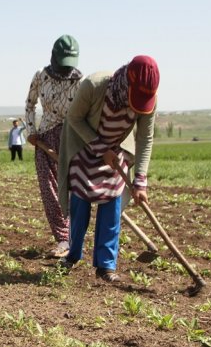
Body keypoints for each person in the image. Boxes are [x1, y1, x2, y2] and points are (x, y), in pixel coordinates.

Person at [58, 55, 159, 283]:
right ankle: (72, 256)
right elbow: (74, 118)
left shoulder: (149, 100)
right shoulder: (94, 86)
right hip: (84, 147)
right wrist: (100, 148)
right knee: (80, 208)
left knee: (112, 209)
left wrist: (141, 179)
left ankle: (106, 266)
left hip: (116, 153)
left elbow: (145, 138)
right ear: (128, 82)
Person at [25, 34, 83, 258]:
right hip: (45, 139)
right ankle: (62, 239)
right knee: (50, 191)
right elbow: (29, 105)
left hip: (72, 138)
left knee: (76, 189)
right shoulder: (41, 77)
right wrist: (31, 132)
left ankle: (76, 238)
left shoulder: (80, 80)